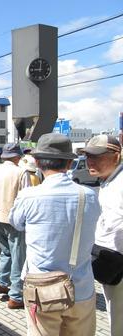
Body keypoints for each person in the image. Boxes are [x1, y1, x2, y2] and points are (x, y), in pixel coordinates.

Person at [10, 133, 100, 335]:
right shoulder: (89, 195)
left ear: (38, 162)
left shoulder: (29, 196)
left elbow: (16, 223)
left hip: (42, 289)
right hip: (81, 286)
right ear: (69, 163)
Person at [83, 134, 123, 335]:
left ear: (116, 156)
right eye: (88, 156)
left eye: (97, 156)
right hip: (110, 265)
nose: (90, 161)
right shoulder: (107, 181)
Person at [0, 143, 30, 309]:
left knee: (6, 252)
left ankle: (1, 282)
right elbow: (26, 198)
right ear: (17, 156)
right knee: (18, 256)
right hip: (13, 218)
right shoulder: (21, 172)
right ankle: (16, 296)